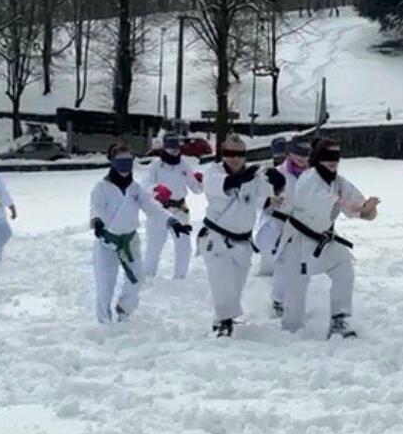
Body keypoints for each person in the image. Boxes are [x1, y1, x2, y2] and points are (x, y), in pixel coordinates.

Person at [277, 138, 380, 338]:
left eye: (335, 157)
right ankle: (288, 336)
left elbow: (362, 209)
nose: (332, 162)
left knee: (343, 263)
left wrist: (369, 209)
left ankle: (339, 318)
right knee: (294, 314)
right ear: (316, 159)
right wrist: (344, 203)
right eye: (327, 157)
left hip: (323, 242)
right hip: (297, 244)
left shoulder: (339, 182)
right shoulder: (308, 178)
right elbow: (321, 200)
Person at [90, 144, 191, 324]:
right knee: (105, 285)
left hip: (130, 241)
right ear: (112, 162)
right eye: (120, 162)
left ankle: (124, 308)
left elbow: (153, 208)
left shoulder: (136, 189)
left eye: (128, 162)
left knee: (137, 278)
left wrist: (172, 222)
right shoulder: (101, 187)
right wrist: (96, 221)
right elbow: (95, 207)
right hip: (107, 242)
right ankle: (104, 322)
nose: (125, 166)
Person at [199, 135, 287, 336]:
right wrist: (244, 177)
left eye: (239, 154)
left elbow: (267, 194)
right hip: (215, 238)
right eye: (229, 154)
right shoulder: (213, 173)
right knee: (222, 282)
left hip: (242, 241)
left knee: (236, 285)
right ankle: (222, 321)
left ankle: (226, 318)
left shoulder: (253, 176)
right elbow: (227, 184)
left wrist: (277, 181)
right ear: (223, 154)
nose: (235, 158)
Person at [143, 133, 203, 279]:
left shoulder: (184, 165)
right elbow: (144, 185)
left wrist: (199, 181)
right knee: (154, 245)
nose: (174, 151)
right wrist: (155, 189)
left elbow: (196, 190)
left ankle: (180, 277)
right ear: (164, 148)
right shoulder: (156, 165)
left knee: (183, 245)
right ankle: (148, 276)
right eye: (170, 148)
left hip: (179, 209)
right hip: (159, 210)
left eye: (176, 148)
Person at [255, 137, 313, 288]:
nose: (302, 158)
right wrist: (268, 200)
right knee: (269, 271)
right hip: (276, 225)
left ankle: (283, 299)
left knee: (294, 267)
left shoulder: (313, 176)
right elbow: (251, 196)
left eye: (306, 154)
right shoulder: (273, 173)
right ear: (290, 153)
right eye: (298, 154)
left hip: (300, 227)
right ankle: (263, 297)